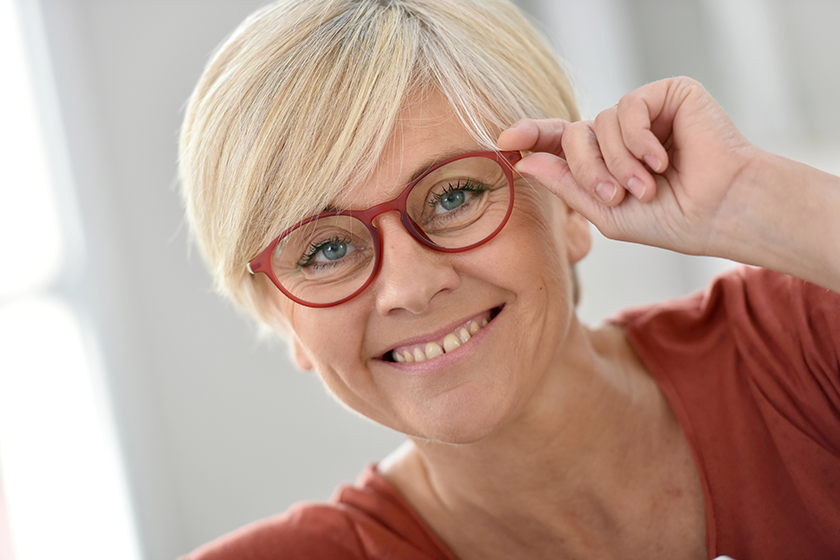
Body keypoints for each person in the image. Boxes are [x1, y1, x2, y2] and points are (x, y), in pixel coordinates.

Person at [177, 0, 840, 558]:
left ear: (572, 205)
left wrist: (753, 201)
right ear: (279, 316)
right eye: (324, 249)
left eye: (453, 196)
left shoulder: (804, 344)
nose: (410, 287)